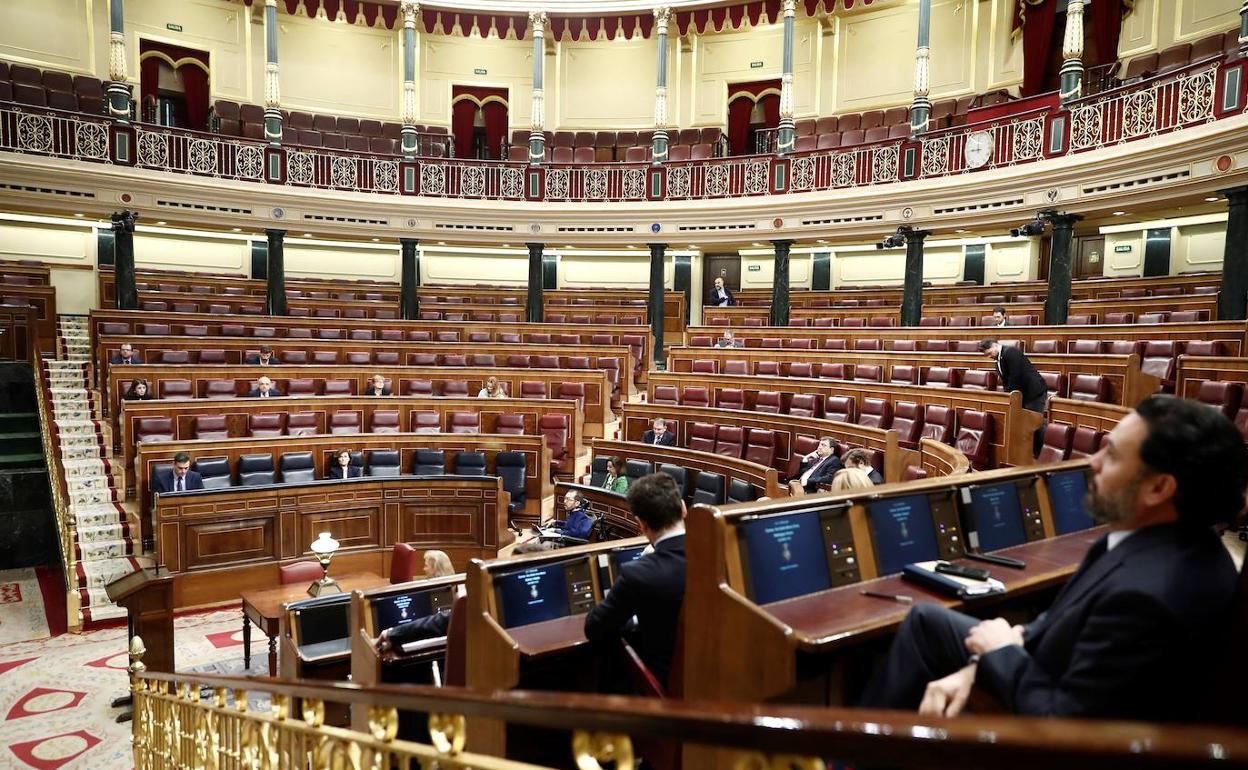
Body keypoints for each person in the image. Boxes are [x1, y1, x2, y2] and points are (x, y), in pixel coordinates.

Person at [860, 396, 1246, 723]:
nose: (1091, 463)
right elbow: (1058, 623)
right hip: (1042, 660)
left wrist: (1000, 654)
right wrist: (996, 654)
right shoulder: (1159, 541)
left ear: (1159, 487)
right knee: (927, 620)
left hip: (1042, 720)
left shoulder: (1150, 597)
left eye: (1110, 455)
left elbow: (1066, 722)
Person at [585, 472, 686, 685]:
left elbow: (594, 627)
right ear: (684, 509)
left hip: (667, 684)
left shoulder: (639, 573)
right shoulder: (717, 553)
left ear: (641, 524)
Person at [375, 550, 458, 654]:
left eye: (426, 566)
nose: (423, 569)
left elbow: (435, 623)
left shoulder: (438, 593)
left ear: (435, 568)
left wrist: (392, 634)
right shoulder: (456, 587)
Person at [978, 339, 1046, 413]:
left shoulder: (1010, 352)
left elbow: (1015, 376)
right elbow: (1005, 380)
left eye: (989, 353)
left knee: (1033, 420)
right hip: (1020, 394)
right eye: (987, 355)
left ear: (995, 346)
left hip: (1033, 392)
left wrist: (1009, 395)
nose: (989, 356)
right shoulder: (999, 359)